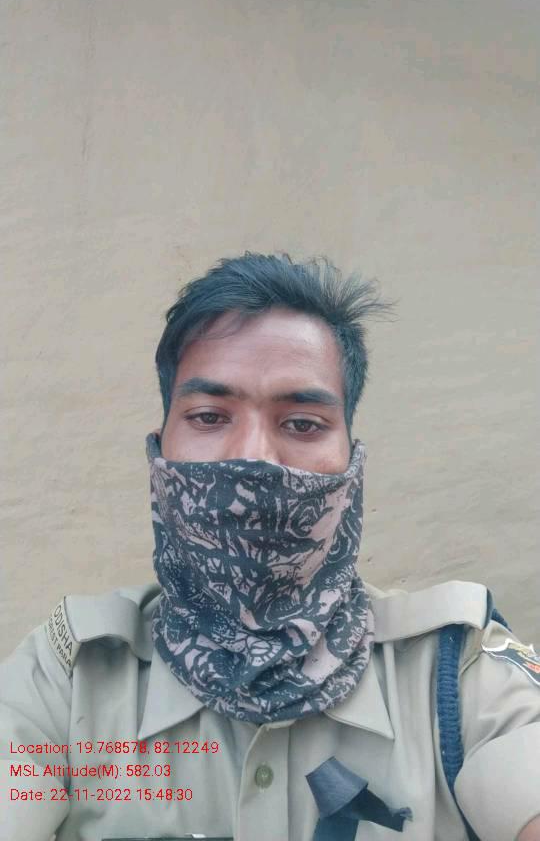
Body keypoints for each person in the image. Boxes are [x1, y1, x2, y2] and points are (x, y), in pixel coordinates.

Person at [1, 251, 539, 841]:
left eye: (303, 423)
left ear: (352, 465)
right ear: (160, 452)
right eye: (210, 416)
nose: (253, 457)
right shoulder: (67, 679)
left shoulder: (457, 675)